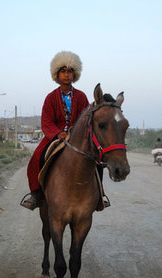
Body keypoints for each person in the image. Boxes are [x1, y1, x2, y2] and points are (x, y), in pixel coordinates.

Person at [20, 51, 108, 210]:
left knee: (97, 159)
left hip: (78, 137)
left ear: (75, 74)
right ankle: (36, 193)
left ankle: (100, 193)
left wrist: (75, 132)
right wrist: (57, 133)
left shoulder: (81, 97)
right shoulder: (50, 97)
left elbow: (86, 118)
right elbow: (46, 121)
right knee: (37, 157)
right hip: (55, 136)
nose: (67, 75)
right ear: (57, 74)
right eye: (63, 71)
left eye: (70, 71)